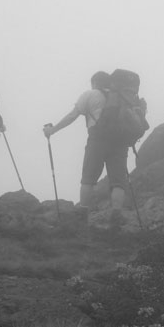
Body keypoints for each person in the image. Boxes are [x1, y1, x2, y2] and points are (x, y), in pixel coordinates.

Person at [43, 71, 127, 217]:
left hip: (97, 139)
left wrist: (53, 130)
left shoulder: (91, 94)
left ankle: (82, 214)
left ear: (94, 83)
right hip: (120, 141)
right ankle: (116, 217)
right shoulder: (122, 97)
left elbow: (72, 116)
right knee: (118, 182)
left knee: (88, 178)